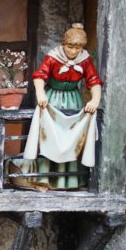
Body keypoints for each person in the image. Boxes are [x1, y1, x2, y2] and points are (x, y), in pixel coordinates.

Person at [22, 22, 103, 190]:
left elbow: (93, 80)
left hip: (73, 99)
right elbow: (40, 75)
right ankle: (46, 178)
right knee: (51, 135)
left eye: (77, 48)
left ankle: (71, 180)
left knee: (72, 136)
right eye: (70, 47)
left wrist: (95, 99)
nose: (73, 52)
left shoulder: (84, 60)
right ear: (63, 44)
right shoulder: (53, 57)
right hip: (53, 99)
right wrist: (41, 93)